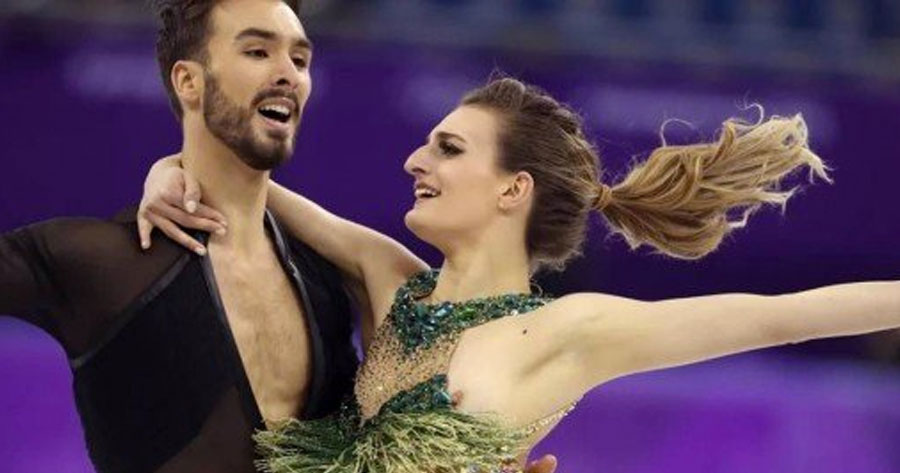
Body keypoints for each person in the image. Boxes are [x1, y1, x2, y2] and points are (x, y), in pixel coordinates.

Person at [142, 76, 900, 473]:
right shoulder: (390, 280)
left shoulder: (566, 331)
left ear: (513, 188)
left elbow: (785, 313)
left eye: (447, 148)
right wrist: (162, 172)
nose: (415, 161)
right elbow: (228, 177)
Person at [5, 2, 566, 473]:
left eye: (299, 58)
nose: (287, 73)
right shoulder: (99, 260)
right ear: (188, 81)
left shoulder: (332, 282)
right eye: (257, 51)